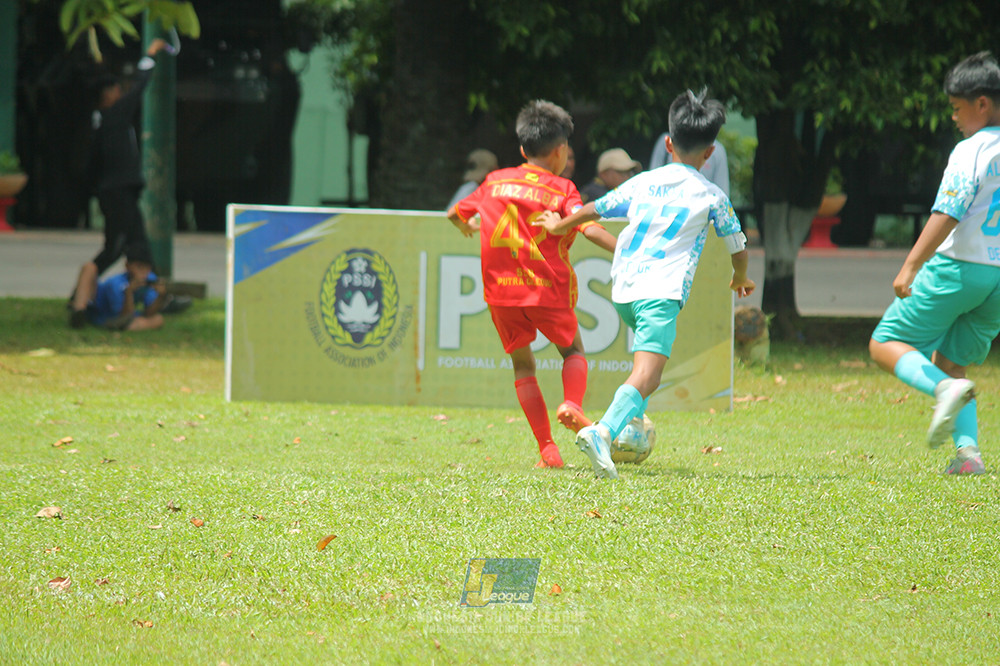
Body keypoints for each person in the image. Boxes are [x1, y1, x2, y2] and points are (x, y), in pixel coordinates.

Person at [534, 89, 755, 479]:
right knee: (649, 374)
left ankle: (628, 421)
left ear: (668, 143)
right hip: (660, 292)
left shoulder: (644, 183)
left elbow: (594, 208)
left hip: (623, 288)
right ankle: (603, 432)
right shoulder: (713, 196)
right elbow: (738, 245)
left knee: (644, 371)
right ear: (711, 153)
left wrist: (559, 224)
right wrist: (740, 277)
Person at [447, 100, 617, 469]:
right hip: (546, 289)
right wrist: (624, 251)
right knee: (572, 352)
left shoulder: (494, 181)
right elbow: (588, 227)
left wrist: (468, 227)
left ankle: (547, 451)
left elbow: (455, 213)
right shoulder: (562, 188)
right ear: (560, 151)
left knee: (523, 367)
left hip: (502, 293)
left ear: (523, 149)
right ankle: (572, 403)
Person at [868, 51, 1000, 476]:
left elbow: (948, 212)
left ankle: (944, 390)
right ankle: (968, 456)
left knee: (885, 341)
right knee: (952, 359)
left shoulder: (972, 150)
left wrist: (910, 265)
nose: (955, 118)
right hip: (997, 280)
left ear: (982, 103)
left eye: (957, 108)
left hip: (960, 266)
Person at [84, 37, 169, 282]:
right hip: (119, 192)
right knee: (116, 247)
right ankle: (81, 294)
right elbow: (140, 85)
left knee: (138, 244)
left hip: (114, 192)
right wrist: (151, 54)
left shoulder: (99, 122)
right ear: (108, 96)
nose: (121, 94)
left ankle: (152, 290)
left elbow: (92, 166)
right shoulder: (115, 115)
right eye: (117, 91)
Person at [69, 243, 167, 331]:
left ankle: (123, 327)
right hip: (104, 315)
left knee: (158, 319)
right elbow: (124, 316)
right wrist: (129, 292)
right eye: (139, 267)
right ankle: (79, 313)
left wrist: (161, 296)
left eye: (147, 268)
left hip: (125, 318)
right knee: (89, 267)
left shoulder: (150, 279)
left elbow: (149, 313)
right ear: (128, 266)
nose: (144, 272)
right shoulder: (115, 284)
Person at [649, 132, 730, 195]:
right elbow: (653, 185)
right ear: (669, 145)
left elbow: (722, 192)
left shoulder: (718, 150)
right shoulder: (664, 143)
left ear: (709, 151)